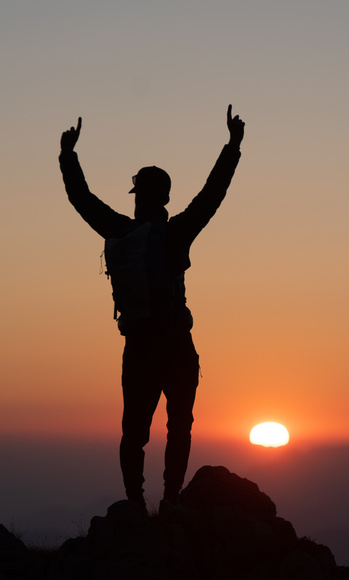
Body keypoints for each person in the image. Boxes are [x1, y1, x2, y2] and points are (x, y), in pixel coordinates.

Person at [59, 106, 245, 509]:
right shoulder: (176, 232)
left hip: (139, 344)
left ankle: (136, 505)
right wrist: (232, 146)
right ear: (164, 197)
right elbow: (212, 194)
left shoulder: (118, 230)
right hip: (177, 344)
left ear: (138, 197)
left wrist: (68, 155)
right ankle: (171, 502)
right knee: (179, 427)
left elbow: (81, 199)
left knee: (134, 433)